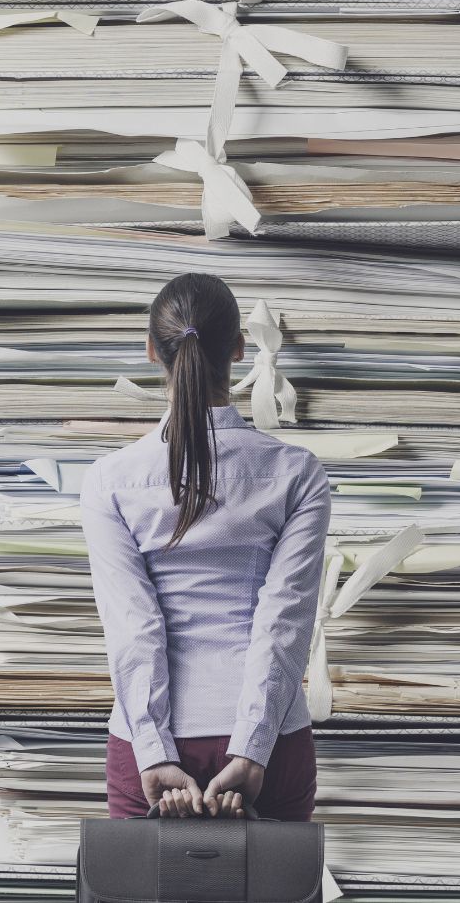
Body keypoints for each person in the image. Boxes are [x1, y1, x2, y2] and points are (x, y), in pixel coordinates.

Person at [80, 273, 331, 821]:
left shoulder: (108, 480)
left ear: (152, 352)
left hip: (151, 748)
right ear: (239, 349)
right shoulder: (298, 475)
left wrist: (152, 749)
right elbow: (282, 622)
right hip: (270, 746)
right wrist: (252, 747)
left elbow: (134, 627)